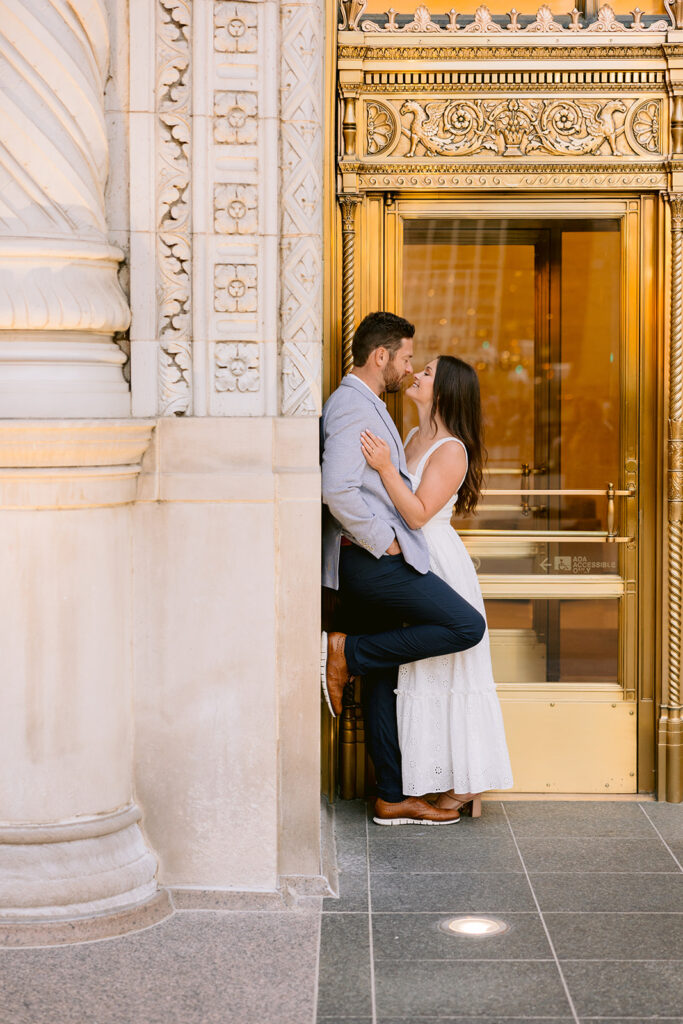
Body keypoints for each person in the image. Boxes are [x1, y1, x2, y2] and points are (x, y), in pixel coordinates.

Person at [320, 312, 486, 826]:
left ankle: (391, 795)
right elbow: (338, 490)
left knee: (383, 677)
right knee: (466, 626)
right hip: (377, 558)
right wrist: (384, 540)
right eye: (409, 359)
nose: (411, 370)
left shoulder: (384, 413)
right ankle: (349, 650)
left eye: (423, 366)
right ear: (381, 357)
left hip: (398, 553)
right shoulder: (355, 406)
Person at [360, 355, 513, 815]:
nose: (416, 375)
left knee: (449, 669)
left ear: (444, 391)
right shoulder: (411, 435)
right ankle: (420, 778)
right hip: (405, 554)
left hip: (436, 561)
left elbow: (419, 512)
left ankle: (462, 781)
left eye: (427, 373)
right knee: (417, 670)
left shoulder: (451, 449)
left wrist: (386, 468)